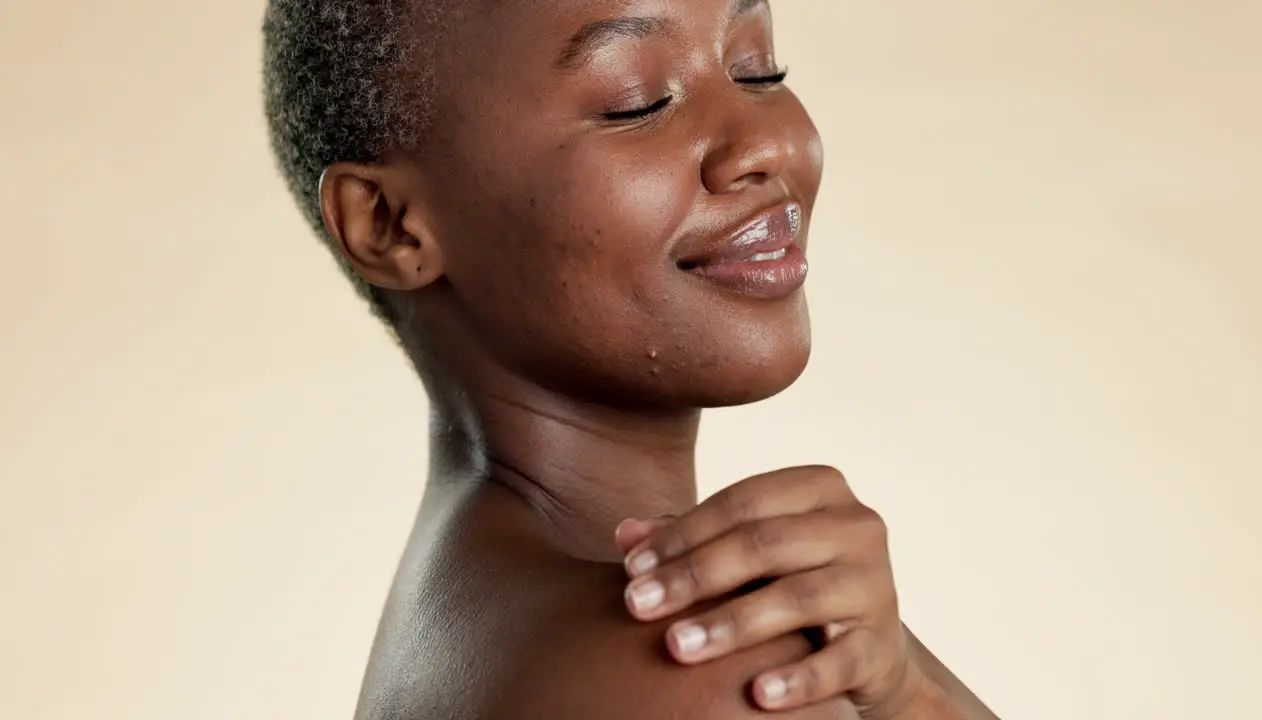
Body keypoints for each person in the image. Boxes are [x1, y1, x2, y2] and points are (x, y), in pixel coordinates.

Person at [263, 0, 999, 717]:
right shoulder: (702, 674)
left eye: (757, 69)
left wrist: (906, 687)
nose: (767, 144)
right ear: (390, 225)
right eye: (637, 101)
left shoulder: (456, 614)